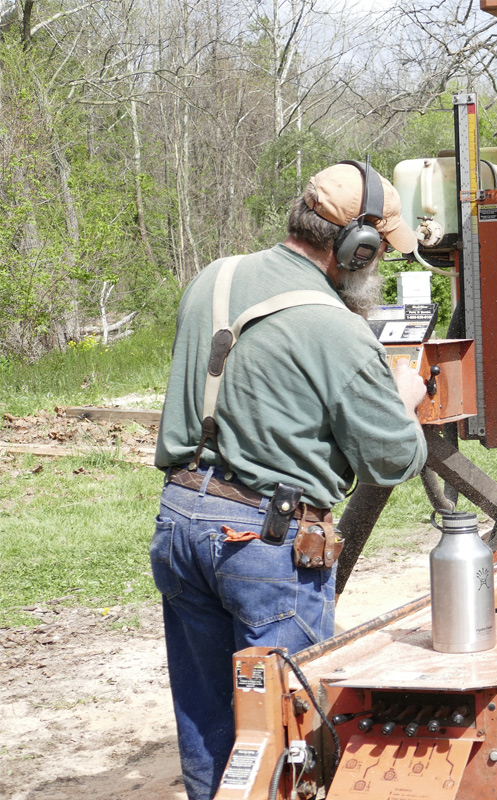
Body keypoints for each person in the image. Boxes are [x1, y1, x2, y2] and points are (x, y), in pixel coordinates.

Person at [151, 161, 429, 800]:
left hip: (181, 518)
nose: (378, 262)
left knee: (210, 725)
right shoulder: (339, 329)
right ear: (355, 247)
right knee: (285, 735)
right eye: (379, 249)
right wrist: (404, 399)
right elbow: (391, 460)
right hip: (266, 544)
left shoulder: (211, 278)